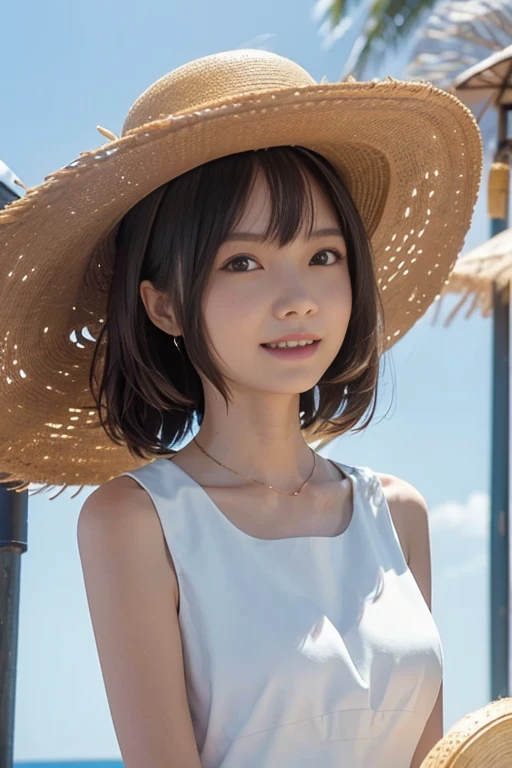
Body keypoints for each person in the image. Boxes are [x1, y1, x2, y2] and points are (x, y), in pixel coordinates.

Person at [0, 50, 482, 767]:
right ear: (163, 303)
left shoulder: (397, 514)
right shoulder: (134, 522)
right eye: (243, 263)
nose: (298, 298)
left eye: (324, 256)